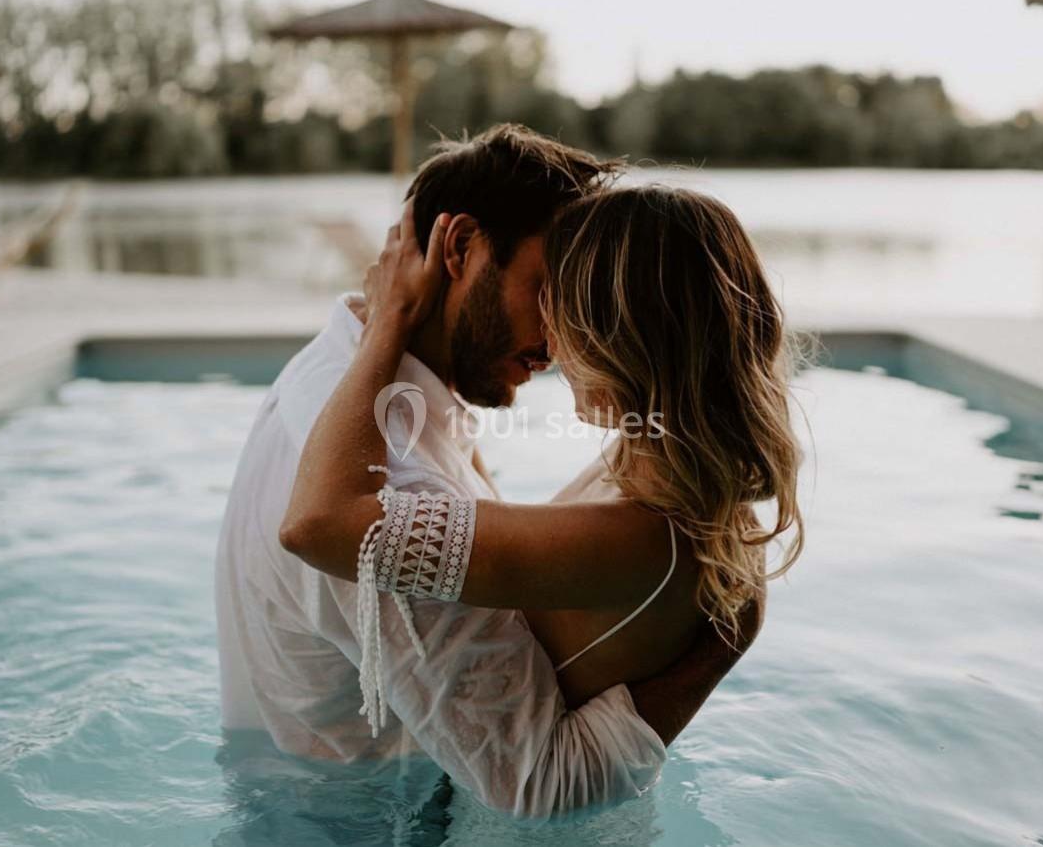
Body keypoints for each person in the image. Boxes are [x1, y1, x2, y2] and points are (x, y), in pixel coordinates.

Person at [214, 125, 759, 820]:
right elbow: (537, 782)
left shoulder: (340, 371)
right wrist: (716, 648)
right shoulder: (391, 477)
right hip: (363, 826)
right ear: (461, 248)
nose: (559, 338)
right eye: (546, 288)